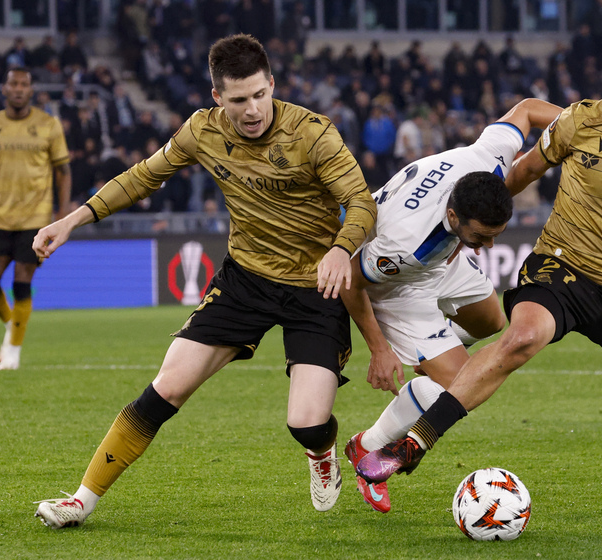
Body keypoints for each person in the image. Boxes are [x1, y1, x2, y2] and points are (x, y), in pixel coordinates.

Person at [356, 42, 602, 513]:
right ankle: (413, 444)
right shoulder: (582, 121)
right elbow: (521, 173)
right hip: (559, 266)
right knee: (522, 337)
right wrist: (458, 233)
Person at [32, 34, 376, 529]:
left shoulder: (314, 133)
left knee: (306, 423)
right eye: (239, 99)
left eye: (260, 94)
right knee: (166, 386)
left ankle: (322, 452)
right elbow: (142, 177)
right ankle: (82, 500)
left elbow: (363, 203)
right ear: (218, 97)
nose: (253, 109)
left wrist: (342, 249)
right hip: (245, 281)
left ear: (272, 83)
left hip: (314, 288)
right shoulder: (201, 131)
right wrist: (72, 220)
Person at [340, 98, 562, 513]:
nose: (491, 245)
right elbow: (351, 279)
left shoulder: (488, 157)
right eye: (482, 236)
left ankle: (432, 352)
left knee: (494, 319)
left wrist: (587, 128)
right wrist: (379, 348)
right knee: (461, 383)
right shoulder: (403, 245)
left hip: (447, 257)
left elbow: (529, 109)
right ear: (455, 214)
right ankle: (365, 447)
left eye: (496, 234)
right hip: (399, 286)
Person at [0, 67, 71, 370]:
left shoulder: (48, 125)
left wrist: (61, 216)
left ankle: (13, 350)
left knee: (21, 285)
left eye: (24, 84)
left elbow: (63, 173)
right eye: (14, 84)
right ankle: (14, 326)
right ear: (5, 89)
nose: (19, 89)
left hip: (35, 219)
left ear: (31, 90)